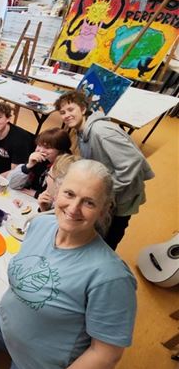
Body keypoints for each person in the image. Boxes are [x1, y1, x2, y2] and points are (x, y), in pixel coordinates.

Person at [0, 159, 137, 369]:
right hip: (1, 323)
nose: (74, 208)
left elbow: (105, 355)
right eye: (69, 194)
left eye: (89, 202)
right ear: (57, 192)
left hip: (36, 364)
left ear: (103, 210)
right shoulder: (41, 224)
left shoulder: (111, 277)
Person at [55, 90, 155, 250]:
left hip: (121, 199)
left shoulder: (100, 131)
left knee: (108, 239)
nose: (66, 115)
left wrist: (104, 193)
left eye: (70, 109)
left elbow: (132, 161)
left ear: (82, 108)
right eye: (62, 112)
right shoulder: (82, 131)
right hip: (109, 197)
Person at [8, 127, 71, 198]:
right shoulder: (39, 160)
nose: (40, 150)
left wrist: (36, 194)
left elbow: (59, 198)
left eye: (47, 148)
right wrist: (27, 166)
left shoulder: (65, 169)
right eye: (39, 145)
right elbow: (11, 184)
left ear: (61, 151)